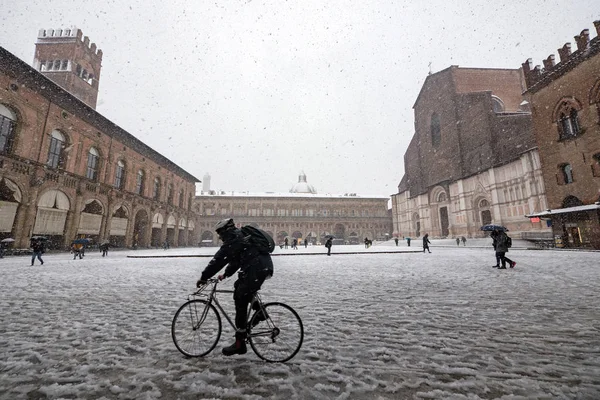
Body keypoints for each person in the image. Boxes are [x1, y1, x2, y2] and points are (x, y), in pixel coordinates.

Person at [196, 218, 273, 356]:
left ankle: (240, 343)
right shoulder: (239, 237)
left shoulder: (233, 238)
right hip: (261, 267)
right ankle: (260, 312)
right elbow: (237, 260)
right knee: (241, 287)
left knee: (240, 297)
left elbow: (219, 259)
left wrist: (204, 277)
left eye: (220, 233)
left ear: (225, 230)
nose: (219, 237)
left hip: (256, 268)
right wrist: (225, 274)